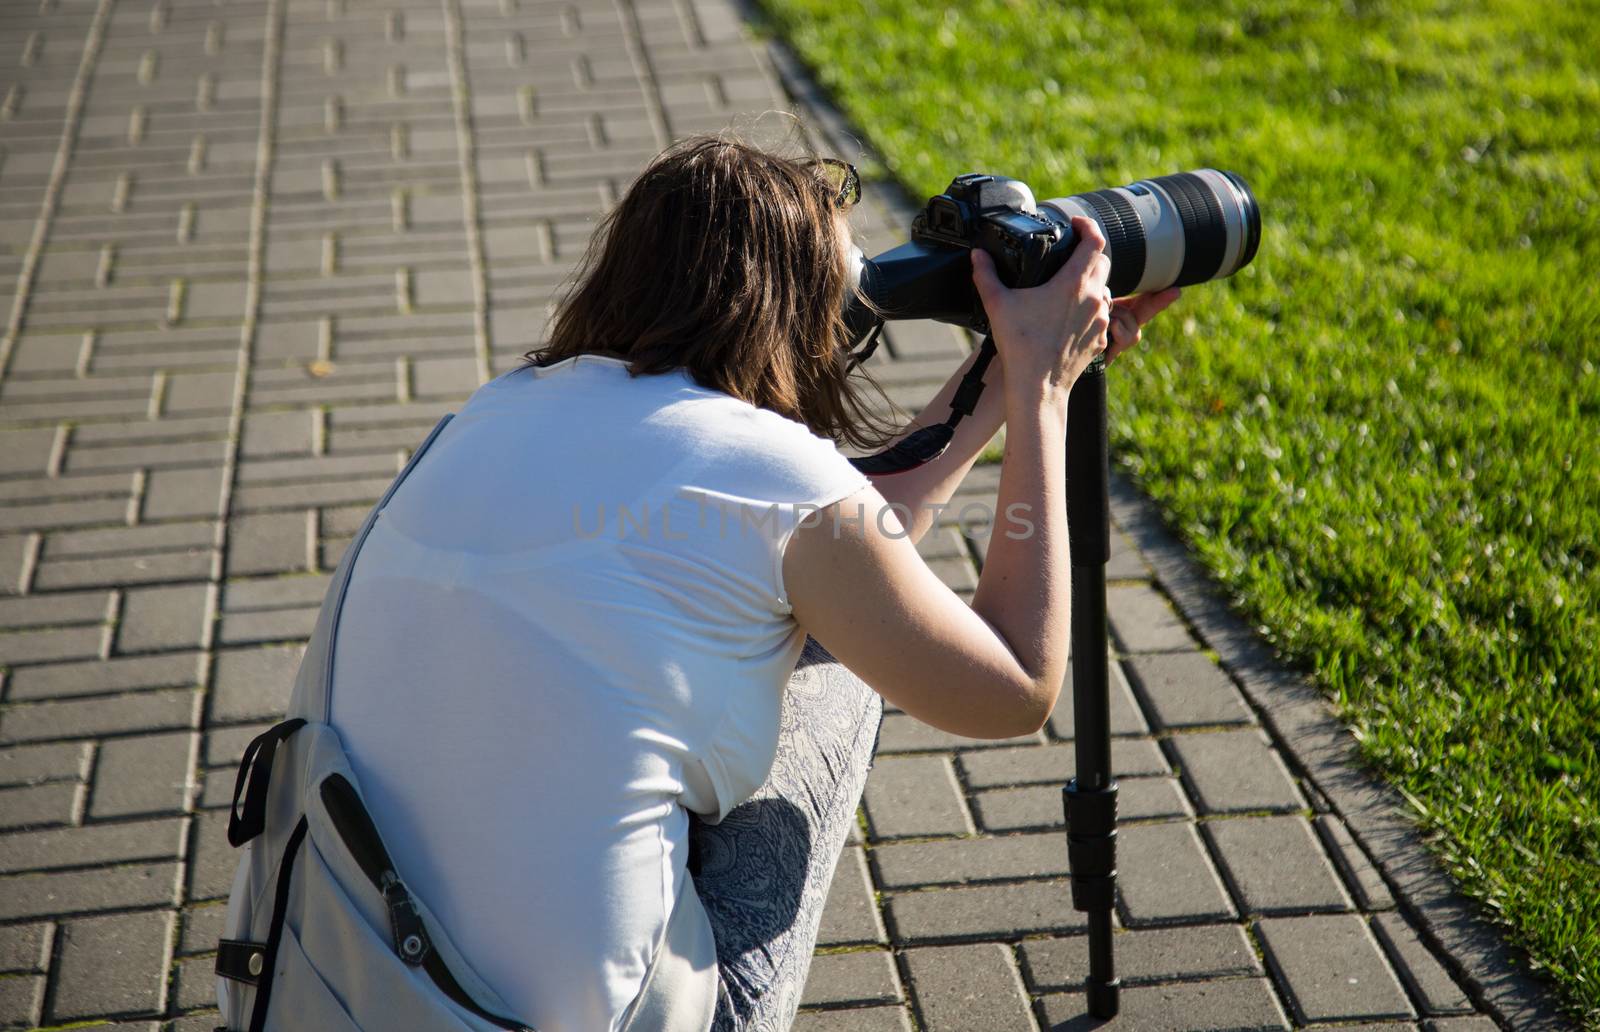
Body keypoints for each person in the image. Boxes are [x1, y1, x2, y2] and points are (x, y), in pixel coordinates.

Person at [324, 133, 1180, 1032]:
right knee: (849, 661)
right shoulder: (774, 480)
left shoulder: (501, 405)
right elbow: (1014, 686)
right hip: (596, 1021)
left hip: (340, 974)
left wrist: (999, 374)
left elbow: (825, 535)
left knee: (796, 605)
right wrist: (1046, 390)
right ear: (795, 315)